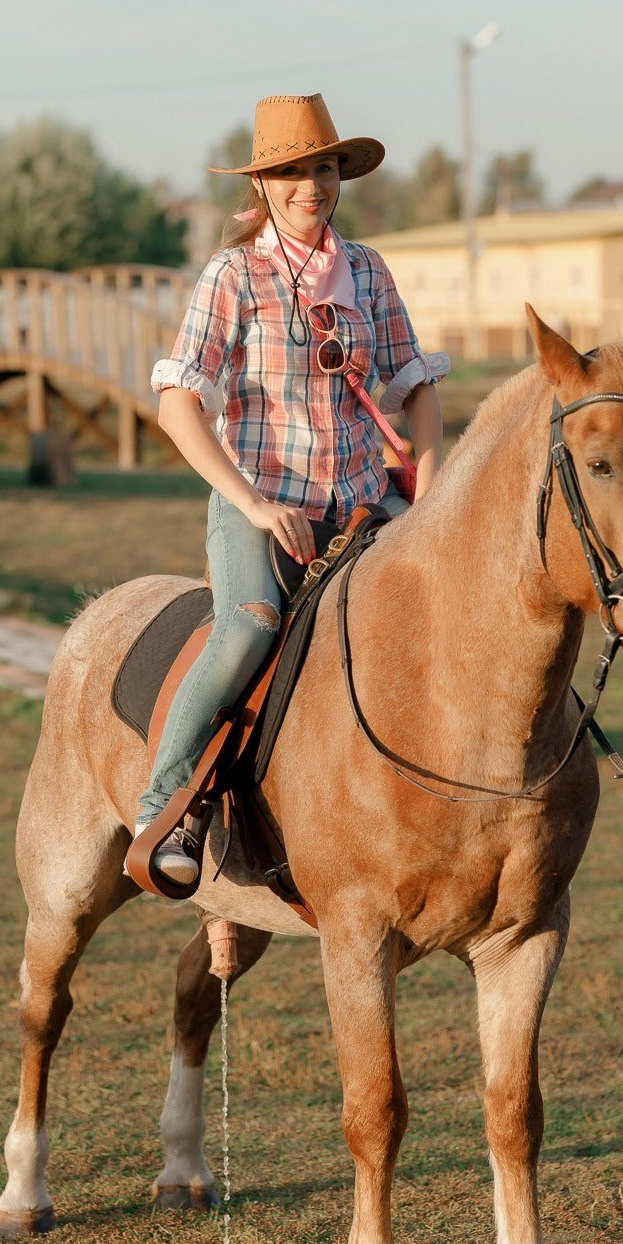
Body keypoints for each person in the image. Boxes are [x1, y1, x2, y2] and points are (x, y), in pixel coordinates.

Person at [126, 93, 449, 888]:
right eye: (294, 171)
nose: (313, 185)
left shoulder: (368, 270)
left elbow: (418, 391)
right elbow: (178, 406)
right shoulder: (234, 274)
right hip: (264, 507)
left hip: (367, 507)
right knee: (246, 632)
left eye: (326, 167)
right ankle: (165, 806)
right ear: (263, 185)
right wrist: (252, 503)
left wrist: (432, 504)